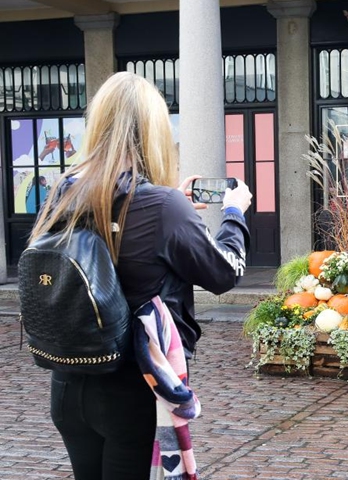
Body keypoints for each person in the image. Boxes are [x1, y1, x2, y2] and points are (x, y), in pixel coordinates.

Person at [28, 71, 252, 480]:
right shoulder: (163, 206)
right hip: (129, 387)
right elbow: (224, 273)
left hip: (66, 380)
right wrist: (234, 213)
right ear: (153, 130)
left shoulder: (63, 192)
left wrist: (173, 205)